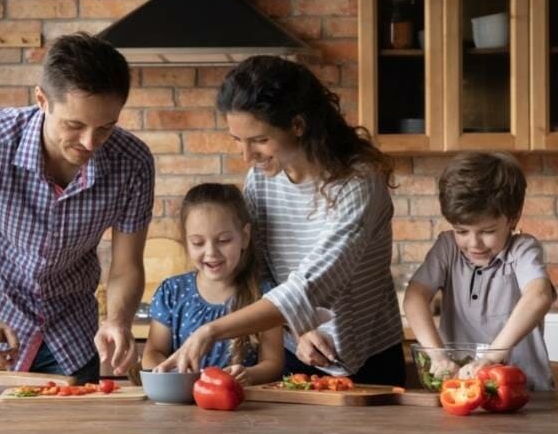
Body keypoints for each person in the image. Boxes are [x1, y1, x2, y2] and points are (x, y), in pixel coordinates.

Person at [157, 55, 405, 386]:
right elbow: (263, 271)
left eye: (259, 140)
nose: (247, 156)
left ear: (298, 125)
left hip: (369, 357)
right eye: (238, 141)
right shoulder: (261, 179)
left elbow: (313, 284)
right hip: (297, 352)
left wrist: (211, 331)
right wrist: (298, 329)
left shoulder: (358, 181)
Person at [0, 32, 155, 384]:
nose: (90, 143)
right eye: (74, 125)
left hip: (71, 338)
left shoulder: (132, 162)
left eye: (105, 128)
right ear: (41, 100)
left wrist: (117, 321)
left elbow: (126, 266)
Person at [403, 151, 556, 391]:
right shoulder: (447, 248)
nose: (474, 244)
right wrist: (438, 356)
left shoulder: (522, 250)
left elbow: (539, 296)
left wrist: (491, 358)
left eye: (487, 231)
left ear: (512, 219)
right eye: (462, 231)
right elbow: (415, 296)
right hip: (462, 389)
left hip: (525, 392)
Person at [141, 183, 283, 385]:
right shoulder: (171, 291)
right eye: (198, 243)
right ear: (186, 242)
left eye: (224, 240)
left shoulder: (265, 295)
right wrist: (174, 372)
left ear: (244, 237)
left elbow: (273, 363)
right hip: (182, 405)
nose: (211, 252)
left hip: (242, 405)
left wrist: (249, 374)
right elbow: (153, 352)